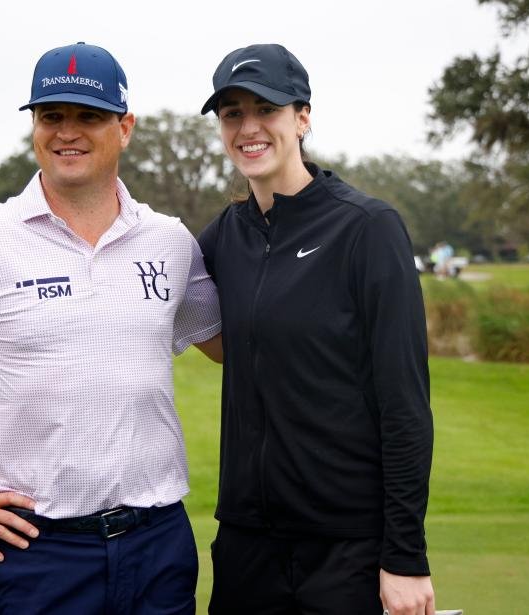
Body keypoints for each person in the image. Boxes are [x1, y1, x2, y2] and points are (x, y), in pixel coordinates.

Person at [0, 42, 222, 614]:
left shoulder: (170, 242)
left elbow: (227, 345)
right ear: (34, 125)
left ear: (124, 127)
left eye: (89, 116)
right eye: (51, 116)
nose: (67, 132)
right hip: (41, 553)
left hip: (158, 543)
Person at [197, 44, 435, 615]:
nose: (248, 128)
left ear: (302, 117)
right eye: (233, 113)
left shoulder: (366, 228)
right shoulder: (224, 236)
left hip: (345, 549)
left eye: (266, 109)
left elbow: (404, 403)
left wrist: (404, 555)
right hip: (247, 545)